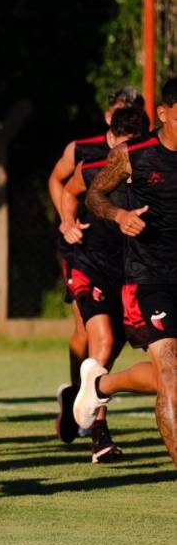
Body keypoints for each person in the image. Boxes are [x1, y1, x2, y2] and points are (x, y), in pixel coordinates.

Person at [76, 78, 177, 470]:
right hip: (150, 277)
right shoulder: (133, 154)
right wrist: (119, 215)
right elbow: (94, 194)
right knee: (168, 372)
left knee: (165, 375)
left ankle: (101, 385)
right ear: (165, 114)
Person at [48, 86, 142, 443]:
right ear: (109, 119)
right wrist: (66, 221)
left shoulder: (150, 162)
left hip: (131, 265)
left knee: (112, 342)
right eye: (120, 112)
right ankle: (91, 415)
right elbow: (61, 184)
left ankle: (84, 396)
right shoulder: (86, 154)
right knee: (91, 335)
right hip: (85, 256)